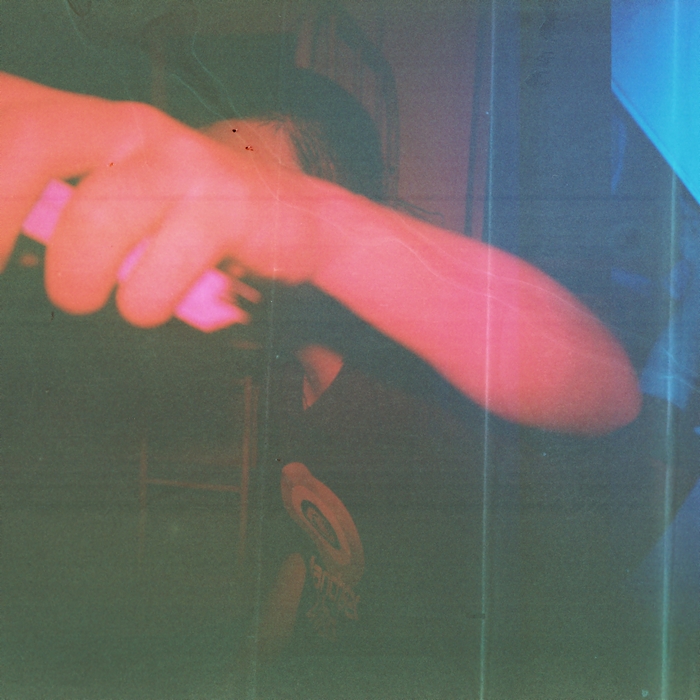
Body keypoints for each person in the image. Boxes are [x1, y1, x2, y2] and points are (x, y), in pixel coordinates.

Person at [0, 65, 641, 684]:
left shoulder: (423, 392)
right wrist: (250, 667)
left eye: (240, 190)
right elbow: (313, 552)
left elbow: (608, 388)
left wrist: (313, 229)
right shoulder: (281, 379)